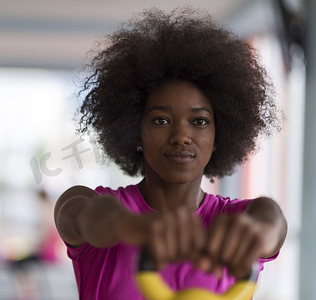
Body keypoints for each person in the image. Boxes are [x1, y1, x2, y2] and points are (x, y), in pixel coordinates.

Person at [54, 7, 287, 299]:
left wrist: (255, 230)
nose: (181, 137)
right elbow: (77, 212)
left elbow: (271, 220)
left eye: (199, 121)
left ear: (219, 136)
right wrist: (135, 227)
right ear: (135, 131)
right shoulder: (104, 210)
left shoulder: (236, 220)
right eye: (161, 120)